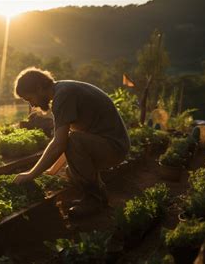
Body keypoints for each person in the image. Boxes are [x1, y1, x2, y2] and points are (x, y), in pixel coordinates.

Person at [13, 67, 130, 218]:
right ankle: (96, 197)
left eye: (30, 99)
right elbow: (67, 141)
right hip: (110, 145)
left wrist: (31, 174)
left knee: (74, 143)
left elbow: (61, 143)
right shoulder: (63, 89)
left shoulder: (63, 96)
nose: (32, 106)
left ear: (39, 88)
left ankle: (94, 200)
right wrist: (52, 171)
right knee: (71, 172)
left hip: (114, 148)